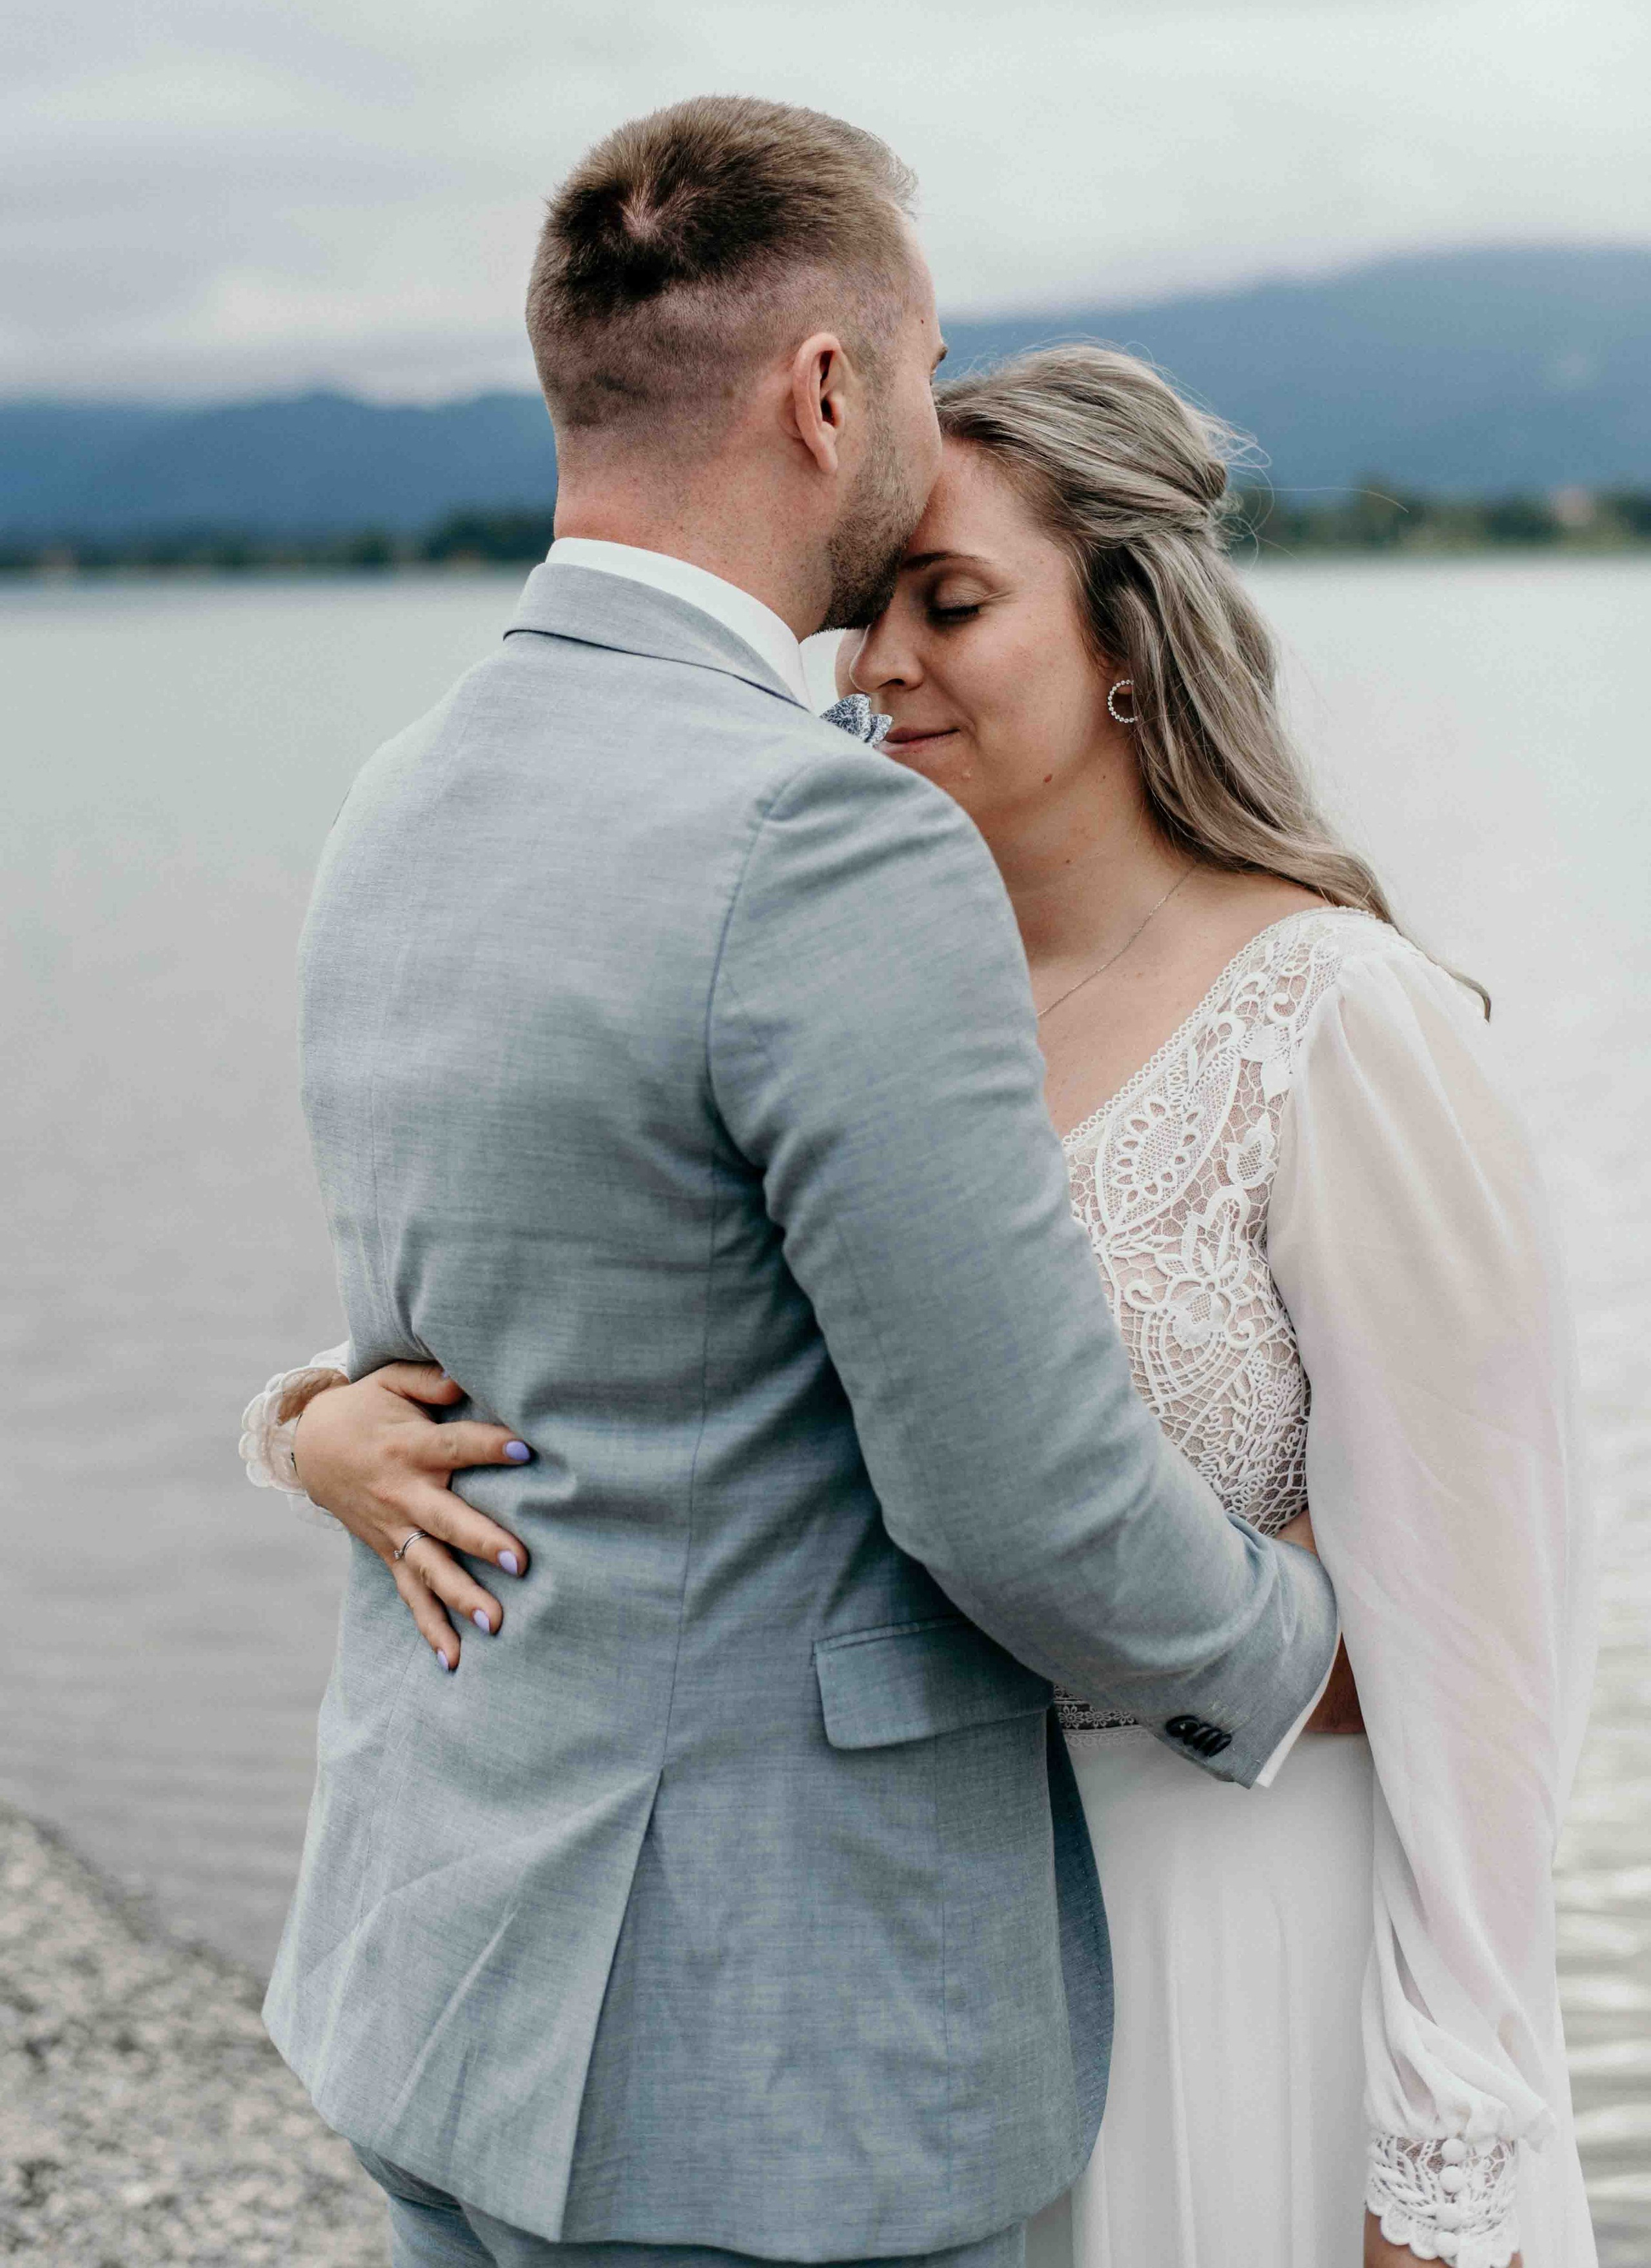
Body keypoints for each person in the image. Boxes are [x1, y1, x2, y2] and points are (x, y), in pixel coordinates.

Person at [253, 334, 1597, 2264]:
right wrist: (317, 1419)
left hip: (1240, 1932)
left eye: (951, 604)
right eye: (866, 607)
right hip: (891, 1975)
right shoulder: (842, 970)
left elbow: (1494, 1656)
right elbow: (655, 1331)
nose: (876, 664)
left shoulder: (1339, 1022)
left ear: (1130, 636)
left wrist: (1444, 2147)